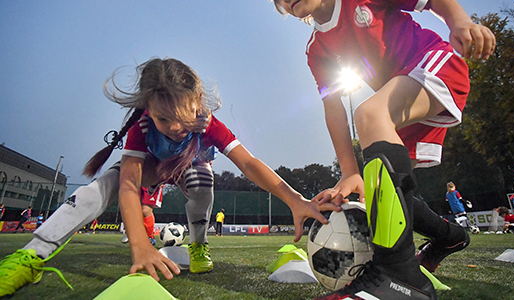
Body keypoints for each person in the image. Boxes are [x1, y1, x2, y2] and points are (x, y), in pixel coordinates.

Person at [263, 0, 495, 300]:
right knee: (383, 194)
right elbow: (333, 109)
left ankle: (402, 279)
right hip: (399, 94)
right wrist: (348, 170)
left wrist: (460, 22)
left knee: (370, 113)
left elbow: (435, 0)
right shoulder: (317, 49)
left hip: (434, 63)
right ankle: (449, 236)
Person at [0, 57, 336, 297]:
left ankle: (199, 247)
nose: (175, 127)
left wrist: (294, 199)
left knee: (203, 188)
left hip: (188, 168)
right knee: (95, 191)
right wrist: (141, 247)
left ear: (197, 103)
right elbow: (129, 187)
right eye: (163, 119)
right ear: (148, 110)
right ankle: (30, 256)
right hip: (152, 168)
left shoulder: (208, 125)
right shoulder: (142, 128)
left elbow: (248, 164)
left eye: (182, 117)